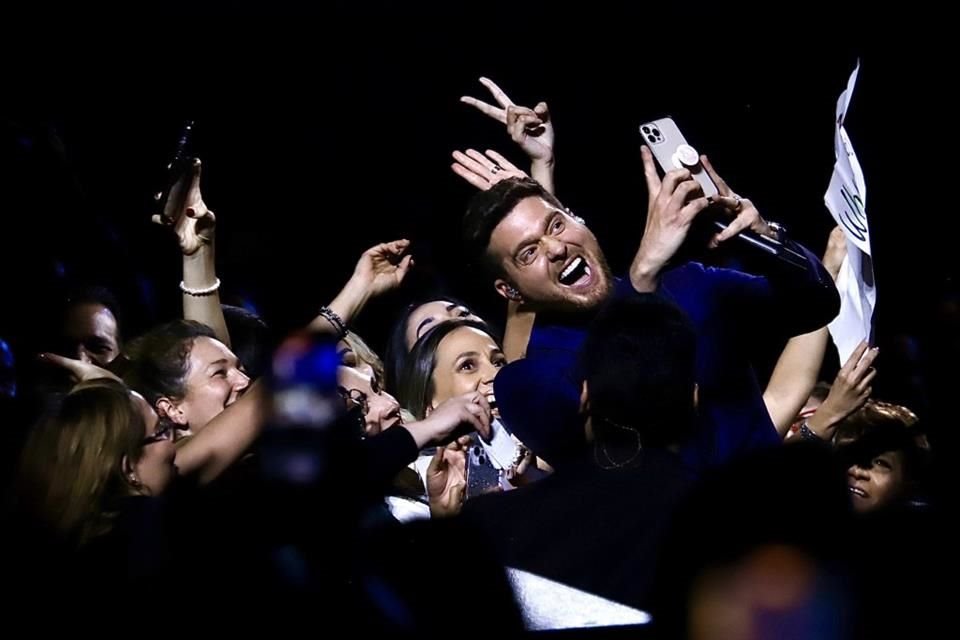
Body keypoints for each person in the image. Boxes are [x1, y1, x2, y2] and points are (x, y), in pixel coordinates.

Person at [461, 145, 839, 467]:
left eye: (556, 225)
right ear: (510, 291)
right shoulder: (529, 380)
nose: (556, 248)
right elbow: (612, 431)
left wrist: (763, 238)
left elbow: (817, 303)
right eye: (529, 252)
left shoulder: (691, 284)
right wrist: (642, 281)